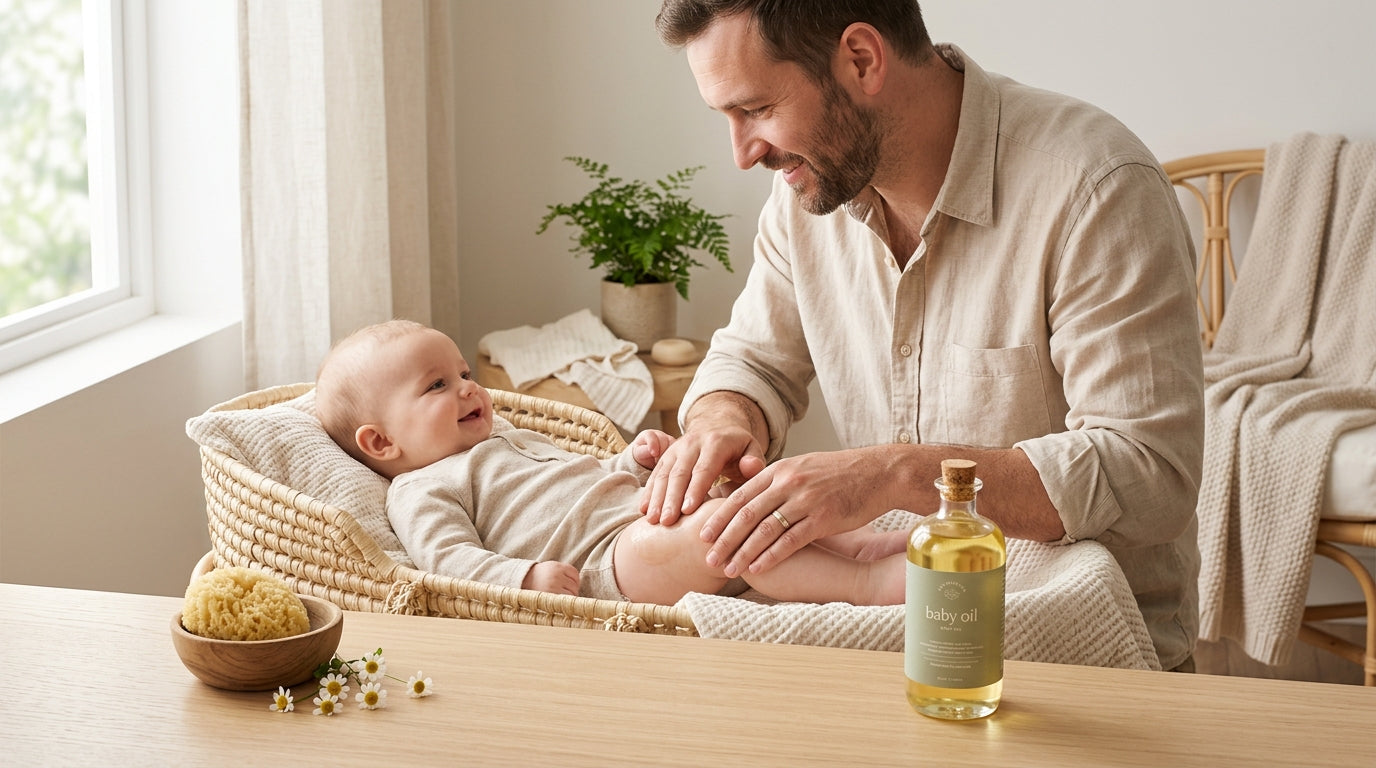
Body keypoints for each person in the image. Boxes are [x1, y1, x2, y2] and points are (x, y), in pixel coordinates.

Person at [647, 1, 1204, 671]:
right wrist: (720, 421)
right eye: (727, 117)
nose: (743, 154)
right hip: (891, 637)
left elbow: (1149, 474)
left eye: (757, 109)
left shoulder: (1096, 186)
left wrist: (897, 475)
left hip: (1082, 653)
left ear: (862, 59)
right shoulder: (807, 196)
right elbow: (750, 362)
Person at [314, 319, 909, 607]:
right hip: (607, 567)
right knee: (720, 533)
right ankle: (867, 586)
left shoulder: (507, 437)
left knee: (747, 504)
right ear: (380, 443)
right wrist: (522, 580)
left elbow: (584, 477)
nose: (469, 389)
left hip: (640, 519)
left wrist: (631, 457)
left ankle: (860, 547)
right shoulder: (421, 488)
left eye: (466, 374)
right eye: (438, 385)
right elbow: (446, 561)